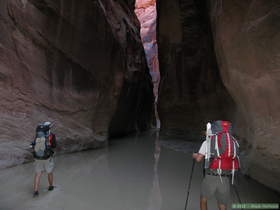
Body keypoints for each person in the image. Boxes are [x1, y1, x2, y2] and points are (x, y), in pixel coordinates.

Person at [192, 121, 239, 210]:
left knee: (203, 200)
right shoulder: (232, 141)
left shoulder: (207, 142)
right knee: (222, 204)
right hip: (225, 177)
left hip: (211, 176)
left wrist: (194, 155)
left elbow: (198, 159)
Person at [31, 121, 57, 197]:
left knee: (38, 173)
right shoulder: (51, 135)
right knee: (49, 172)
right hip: (47, 157)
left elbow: (33, 144)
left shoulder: (38, 135)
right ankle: (51, 187)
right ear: (49, 127)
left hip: (37, 156)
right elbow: (54, 145)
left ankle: (36, 191)